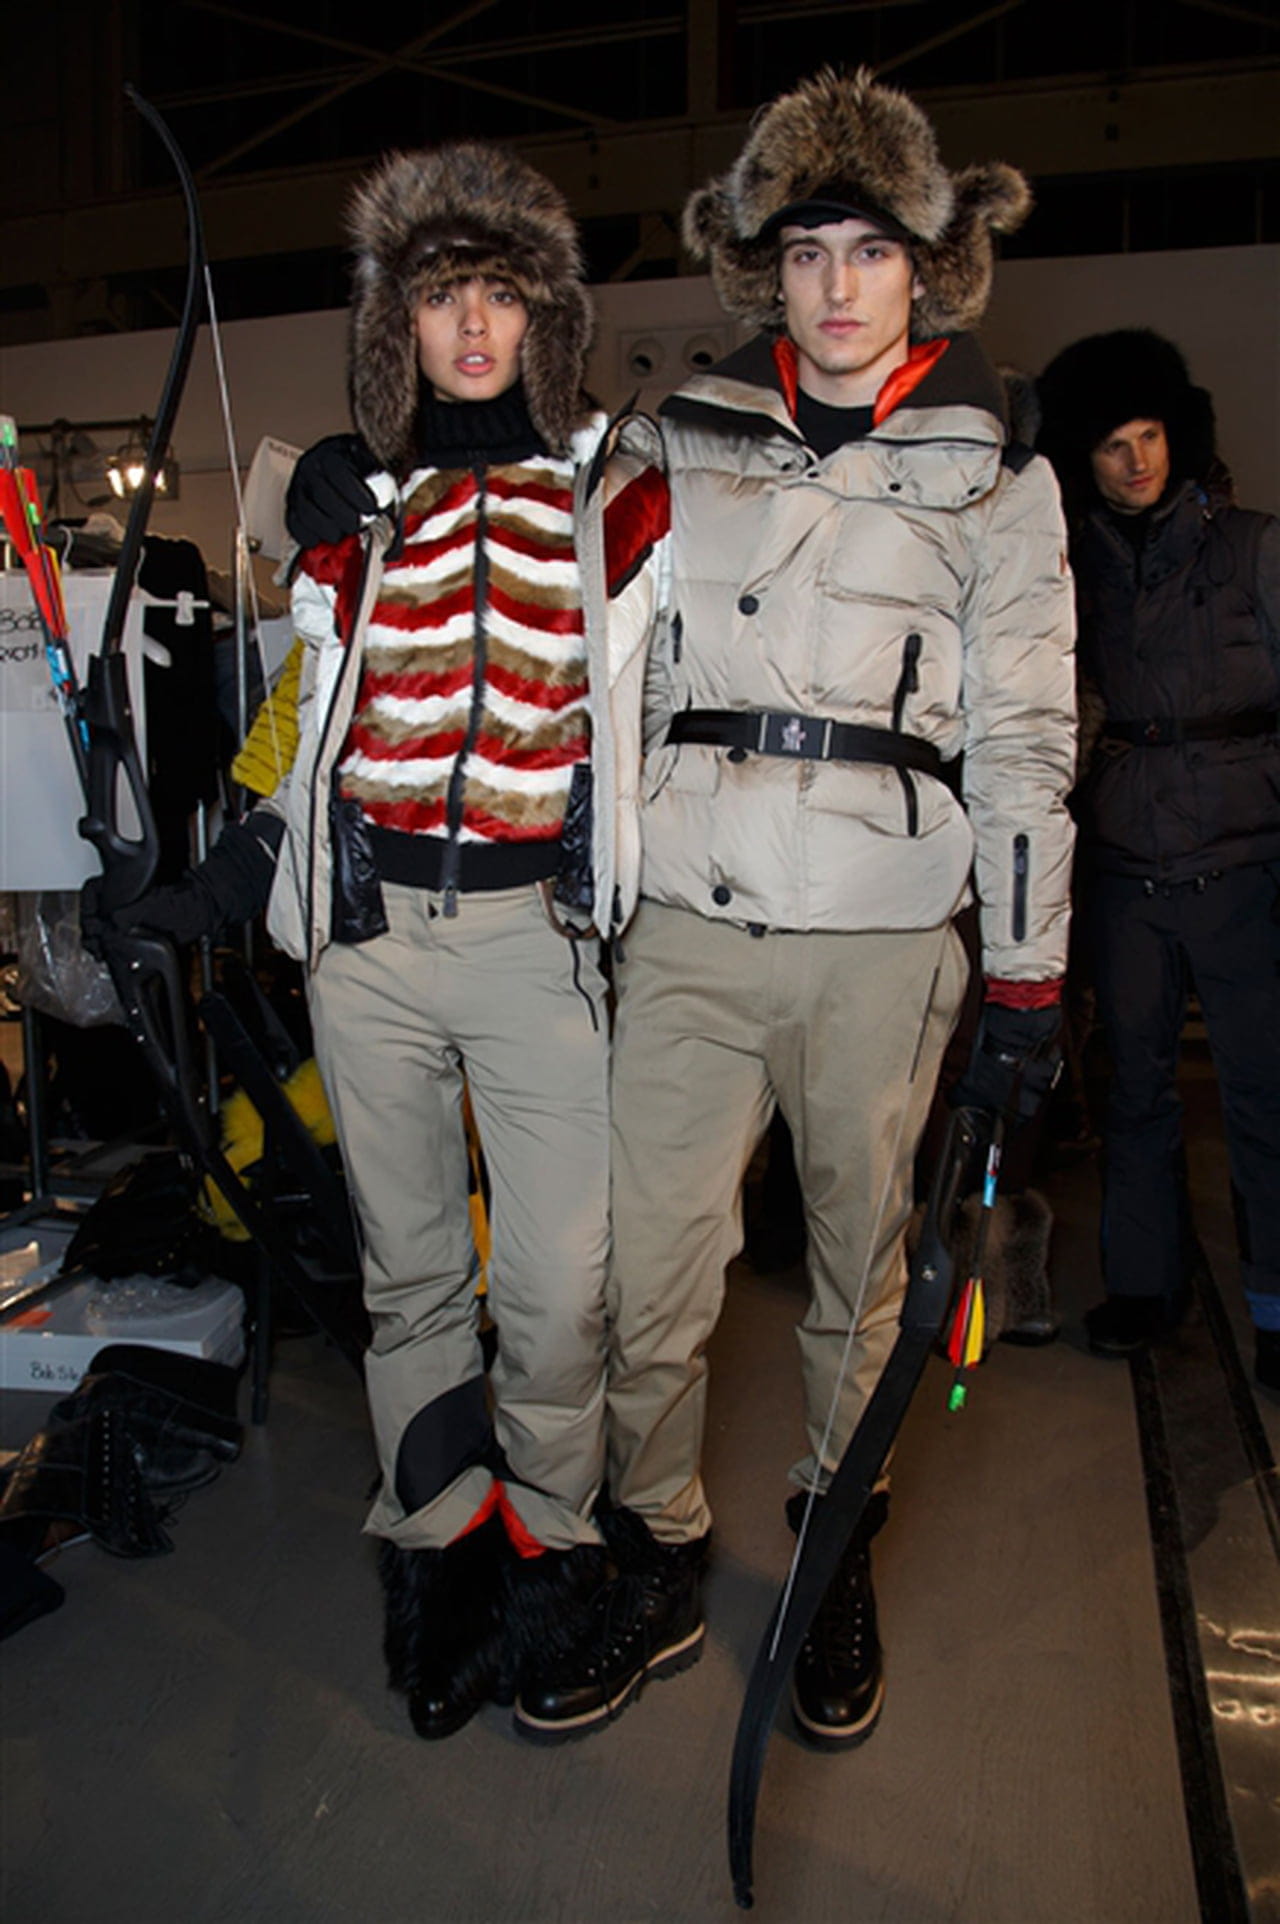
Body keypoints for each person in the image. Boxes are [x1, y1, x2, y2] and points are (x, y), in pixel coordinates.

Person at [510, 68, 1077, 1746]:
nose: (836, 283)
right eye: (808, 247)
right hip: (688, 923)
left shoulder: (998, 473)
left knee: (859, 1277)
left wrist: (1028, 979)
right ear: (766, 265)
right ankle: (659, 1547)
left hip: (885, 939)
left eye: (872, 247)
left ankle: (832, 1546)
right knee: (645, 1280)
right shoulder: (674, 440)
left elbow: (1028, 738)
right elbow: (575, 623)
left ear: (928, 266)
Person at [83, 139, 660, 1740]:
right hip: (369, 947)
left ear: (544, 317)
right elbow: (304, 726)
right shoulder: (356, 512)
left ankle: (552, 1567)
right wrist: (208, 885)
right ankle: (442, 1585)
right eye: (438, 295)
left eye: (500, 293)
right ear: (396, 322)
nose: (470, 325)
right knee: (412, 1287)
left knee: (560, 1292)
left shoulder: (619, 493)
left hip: (538, 941)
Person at [1036, 330, 1280, 1391]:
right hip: (1125, 867)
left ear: (1178, 433)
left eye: (1148, 435)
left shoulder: (1255, 550)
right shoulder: (1065, 570)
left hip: (1247, 862)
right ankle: (1143, 1287)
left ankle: (1276, 1307)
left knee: (1262, 1095)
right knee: (1133, 1088)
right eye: (1110, 444)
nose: (1135, 460)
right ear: (1080, 459)